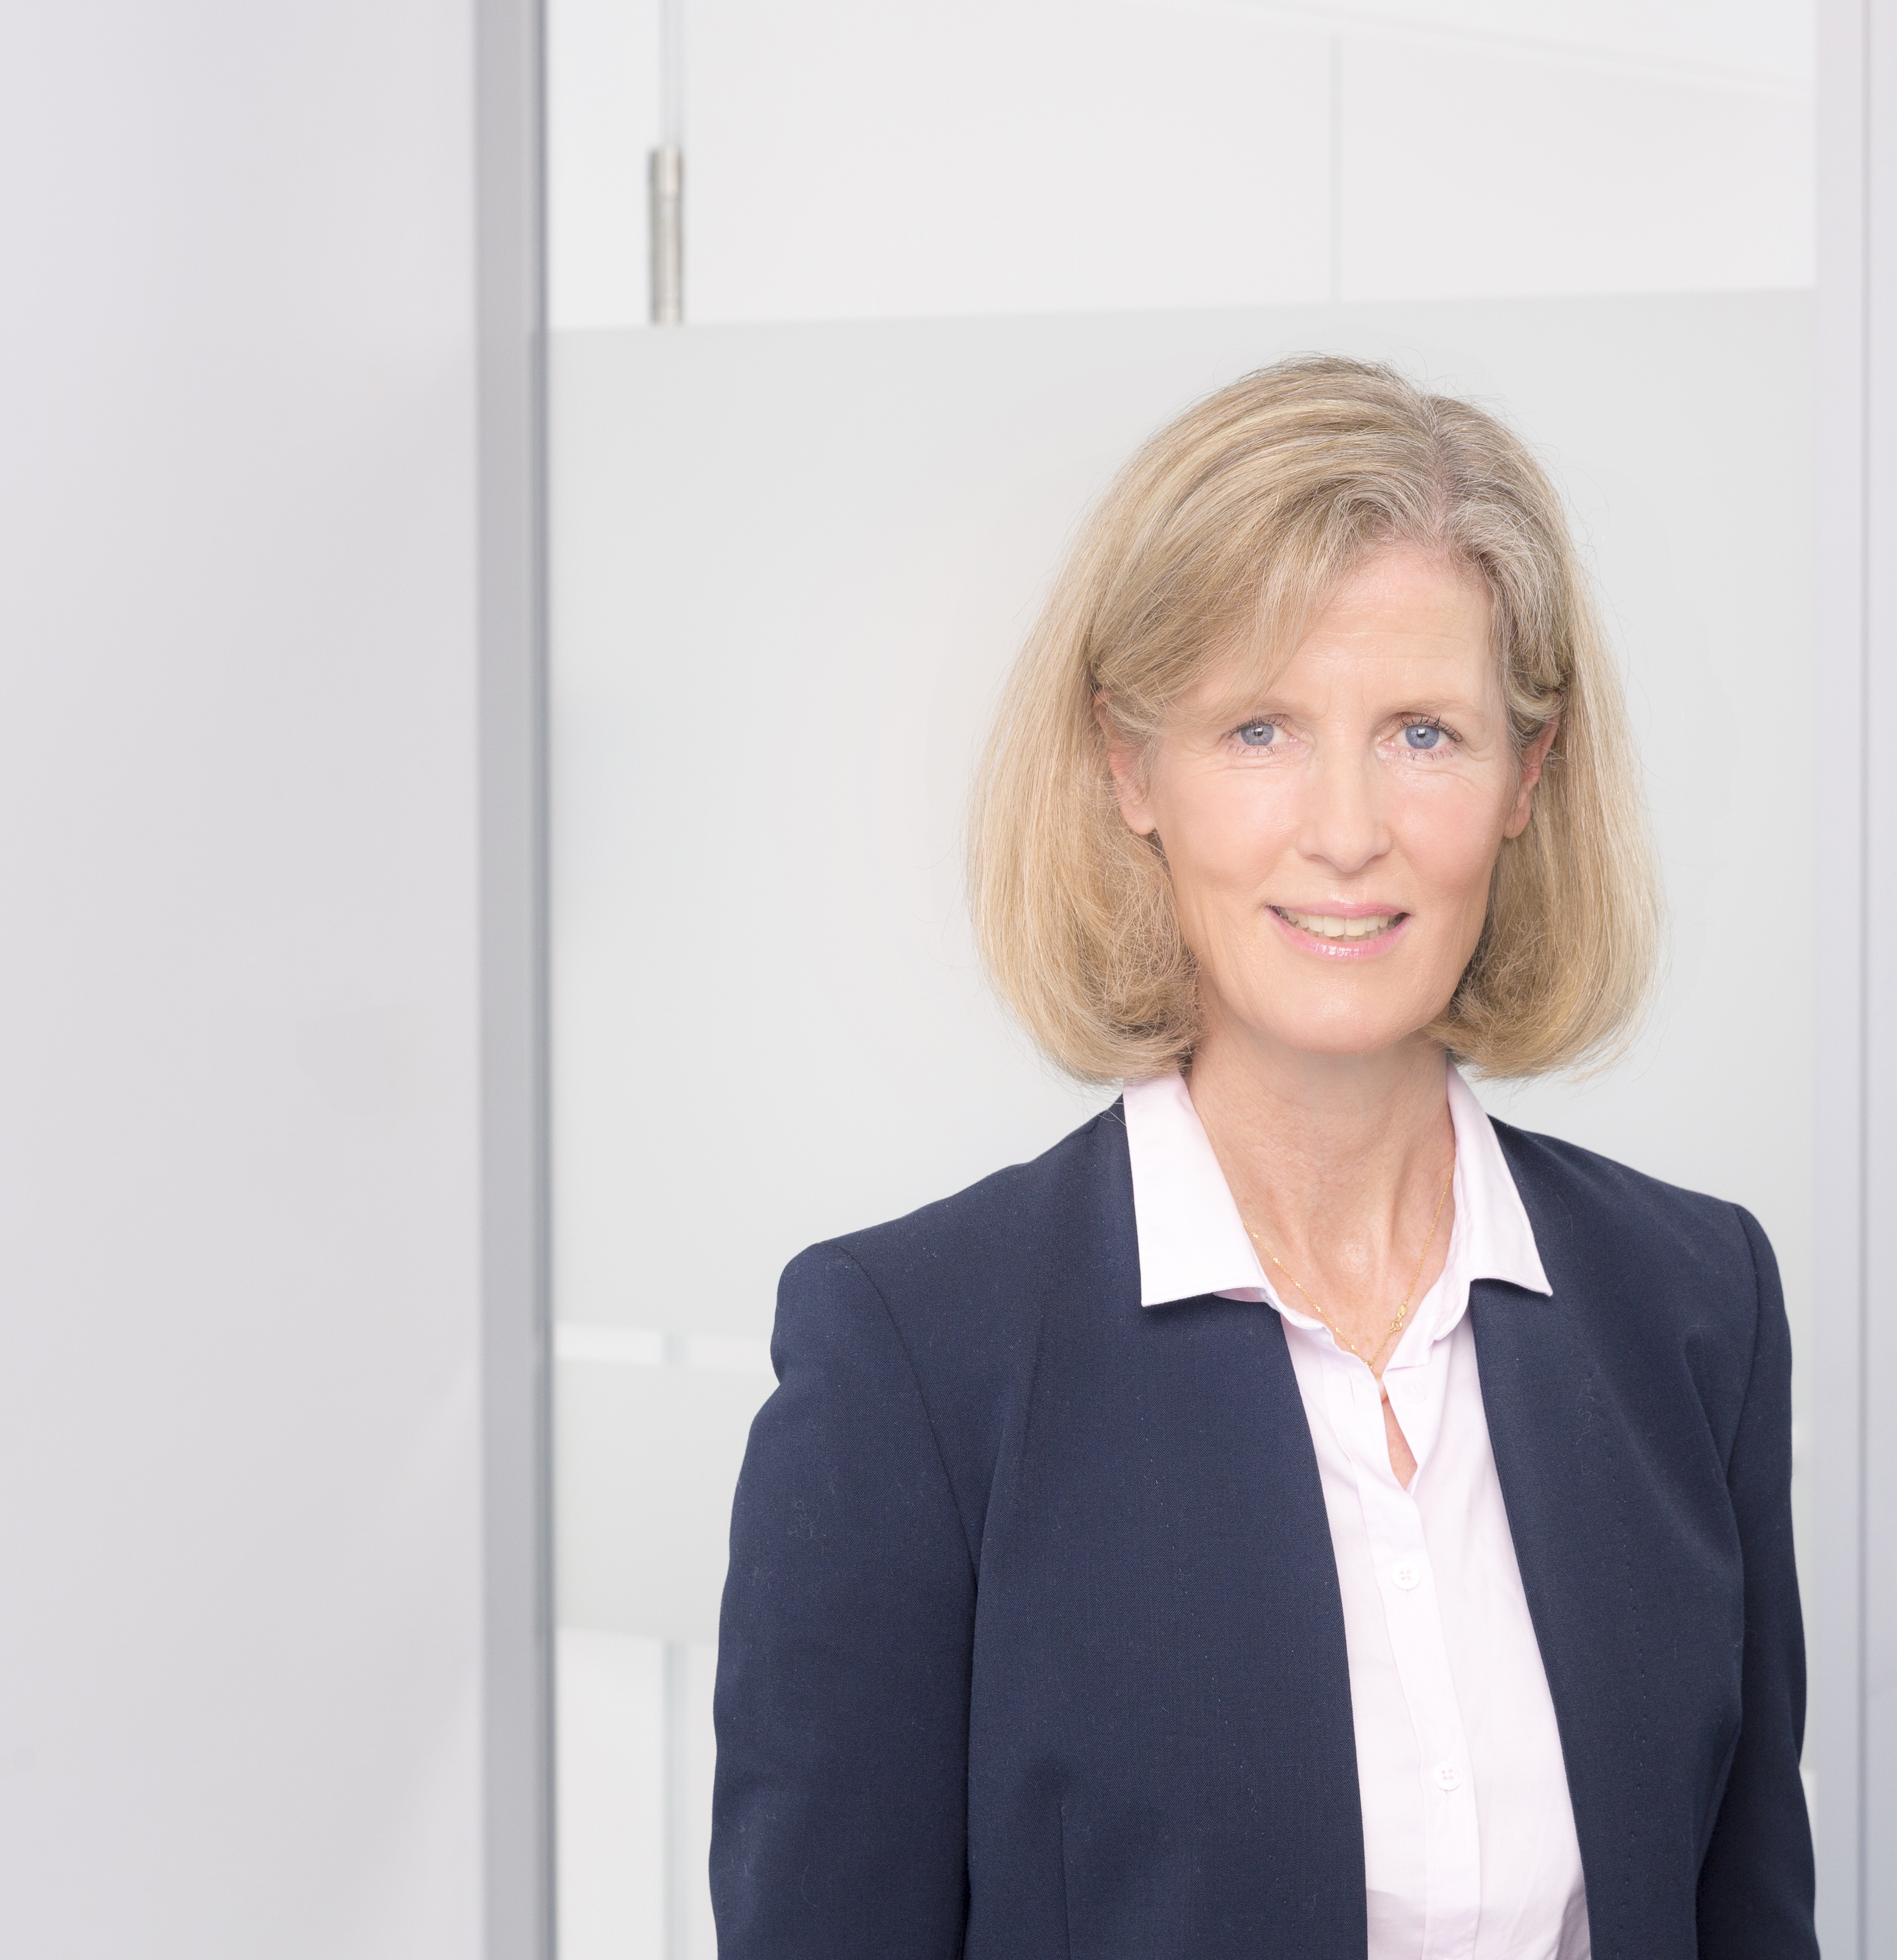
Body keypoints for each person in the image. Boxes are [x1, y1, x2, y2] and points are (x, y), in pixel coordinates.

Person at [710, 357, 1815, 1960]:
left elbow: (1749, 1918)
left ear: (1528, 777)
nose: (1348, 829)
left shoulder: (1695, 1307)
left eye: (1424, 733)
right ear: (1129, 767)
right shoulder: (916, 1363)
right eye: (1260, 730)